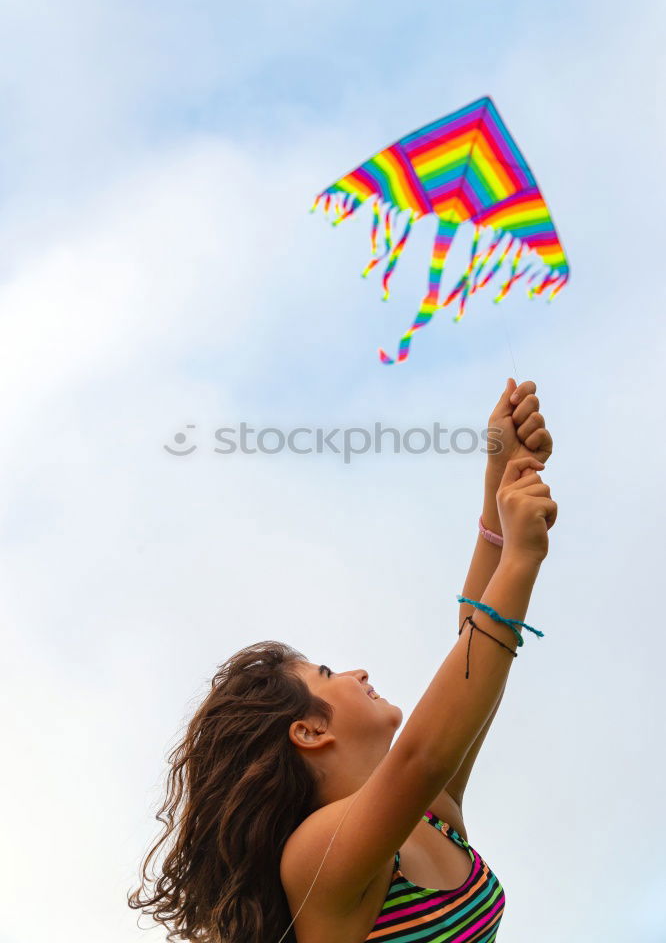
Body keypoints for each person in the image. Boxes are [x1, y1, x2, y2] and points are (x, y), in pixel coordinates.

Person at [129, 377, 556, 943]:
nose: (359, 672)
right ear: (307, 730)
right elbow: (422, 755)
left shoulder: (431, 814)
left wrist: (497, 491)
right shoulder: (315, 853)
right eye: (328, 675)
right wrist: (523, 560)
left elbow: (469, 661)